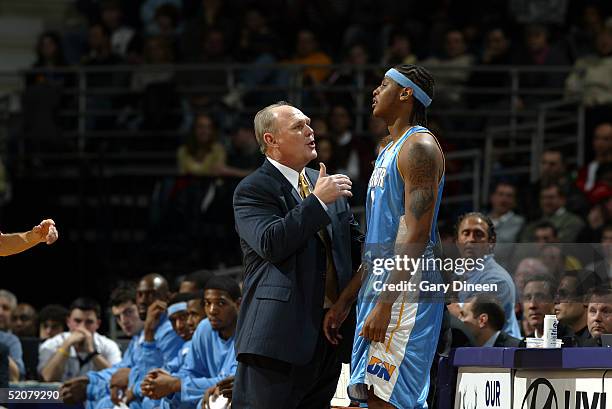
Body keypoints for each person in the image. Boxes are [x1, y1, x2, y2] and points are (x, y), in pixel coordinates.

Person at [327, 64, 445, 409]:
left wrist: (385, 304)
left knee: (389, 400)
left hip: (406, 289)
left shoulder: (419, 146)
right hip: (380, 284)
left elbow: (418, 234)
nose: (375, 92)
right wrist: (347, 300)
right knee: (368, 398)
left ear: (406, 93)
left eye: (384, 84)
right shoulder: (388, 150)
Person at [232, 101, 363, 408]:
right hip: (276, 340)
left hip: (329, 338)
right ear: (270, 140)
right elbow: (271, 243)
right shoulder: (253, 189)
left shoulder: (324, 184)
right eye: (298, 126)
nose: (310, 130)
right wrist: (317, 203)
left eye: (308, 123)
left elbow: (355, 248)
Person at [142, 277, 240, 408]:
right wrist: (166, 383)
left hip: (234, 398)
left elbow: (233, 382)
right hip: (207, 392)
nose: (212, 310)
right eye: (207, 303)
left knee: (218, 402)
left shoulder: (247, 331)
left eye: (221, 303)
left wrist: (175, 383)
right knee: (169, 398)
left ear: (239, 304)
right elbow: (190, 371)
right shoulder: (205, 327)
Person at [453, 212, 522, 338]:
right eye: (466, 233)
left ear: (491, 242)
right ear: (457, 241)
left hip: (500, 354)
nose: (471, 239)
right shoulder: (454, 273)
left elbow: (472, 322)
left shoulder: (497, 280)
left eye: (478, 234)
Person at [139, 291, 206, 409]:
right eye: (173, 320)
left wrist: (172, 383)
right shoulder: (186, 347)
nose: (179, 325)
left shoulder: (199, 341)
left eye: (184, 316)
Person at [38, 297, 122, 382]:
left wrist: (92, 353)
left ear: (98, 324)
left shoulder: (109, 346)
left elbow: (118, 379)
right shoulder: (51, 345)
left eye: (89, 322)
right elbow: (46, 379)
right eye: (77, 321)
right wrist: (66, 346)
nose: (82, 327)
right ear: (68, 322)